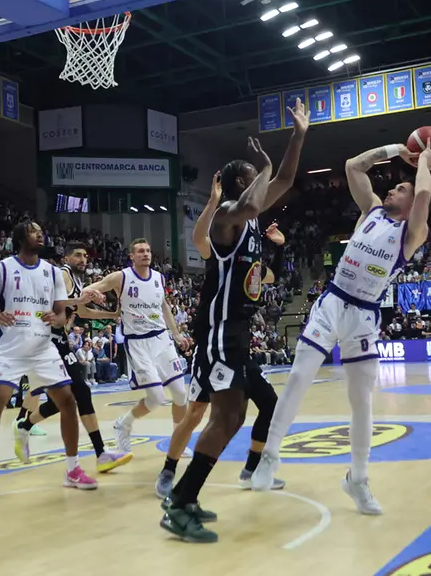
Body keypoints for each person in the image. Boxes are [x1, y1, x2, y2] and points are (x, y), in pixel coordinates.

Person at [252, 137, 431, 517]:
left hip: (363, 314)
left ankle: (357, 478)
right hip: (332, 301)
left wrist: (423, 162)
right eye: (394, 185)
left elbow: (423, 190)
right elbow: (353, 165)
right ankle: (269, 456)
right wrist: (395, 150)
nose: (394, 188)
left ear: (410, 206)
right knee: (298, 378)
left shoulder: (412, 233)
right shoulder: (372, 210)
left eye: (400, 188)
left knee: (362, 402)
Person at [158, 99, 309, 543]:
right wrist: (263, 171)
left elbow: (283, 179)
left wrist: (298, 136)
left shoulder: (252, 227)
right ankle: (179, 501)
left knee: (233, 417)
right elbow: (257, 195)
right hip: (219, 334)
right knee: (225, 419)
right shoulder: (227, 219)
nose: (262, 188)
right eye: (252, 179)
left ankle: (183, 496)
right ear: (237, 184)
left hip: (236, 334)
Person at [154, 169, 289, 499]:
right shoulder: (222, 234)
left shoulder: (251, 238)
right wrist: (212, 202)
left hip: (238, 342)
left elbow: (268, 277)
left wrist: (279, 248)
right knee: (197, 414)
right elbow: (199, 241)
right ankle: (169, 471)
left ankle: (252, 468)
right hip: (213, 340)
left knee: (268, 404)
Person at [0, 221, 100, 497]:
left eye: (41, 232)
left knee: (68, 401)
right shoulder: (2, 269)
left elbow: (58, 312)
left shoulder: (52, 272)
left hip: (43, 347)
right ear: (21, 238)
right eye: (34, 232)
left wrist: (55, 317)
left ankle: (72, 469)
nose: (40, 235)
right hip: (11, 346)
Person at [15, 242, 131, 474]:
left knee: (67, 399)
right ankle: (100, 454)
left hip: (57, 340)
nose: (83, 259)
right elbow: (55, 305)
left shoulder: (75, 282)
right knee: (81, 392)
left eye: (86, 256)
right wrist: (82, 298)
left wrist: (111, 314)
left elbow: (81, 312)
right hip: (45, 340)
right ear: (66, 258)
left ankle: (24, 426)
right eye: (77, 255)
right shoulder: (63, 274)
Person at [80, 239, 191, 458]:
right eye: (140, 251)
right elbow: (88, 289)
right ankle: (124, 423)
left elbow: (164, 306)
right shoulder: (121, 277)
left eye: (148, 251)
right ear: (132, 256)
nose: (145, 254)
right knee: (156, 397)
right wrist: (93, 293)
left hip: (161, 339)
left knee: (180, 393)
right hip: (138, 343)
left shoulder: (159, 278)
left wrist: (176, 333)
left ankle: (177, 442)